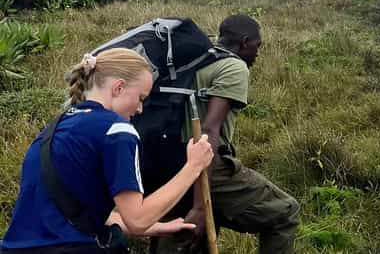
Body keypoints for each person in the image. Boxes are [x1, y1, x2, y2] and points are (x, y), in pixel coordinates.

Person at [1, 48, 215, 253]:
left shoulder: (54, 129)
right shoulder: (117, 130)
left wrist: (158, 227)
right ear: (118, 88)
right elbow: (137, 219)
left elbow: (84, 214)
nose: (140, 109)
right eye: (140, 98)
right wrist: (193, 167)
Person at [151, 14, 300, 254]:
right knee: (285, 212)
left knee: (181, 235)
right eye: (257, 46)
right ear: (244, 42)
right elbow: (210, 130)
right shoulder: (233, 66)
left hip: (168, 162)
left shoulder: (195, 60)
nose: (257, 53)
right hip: (205, 163)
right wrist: (201, 206)